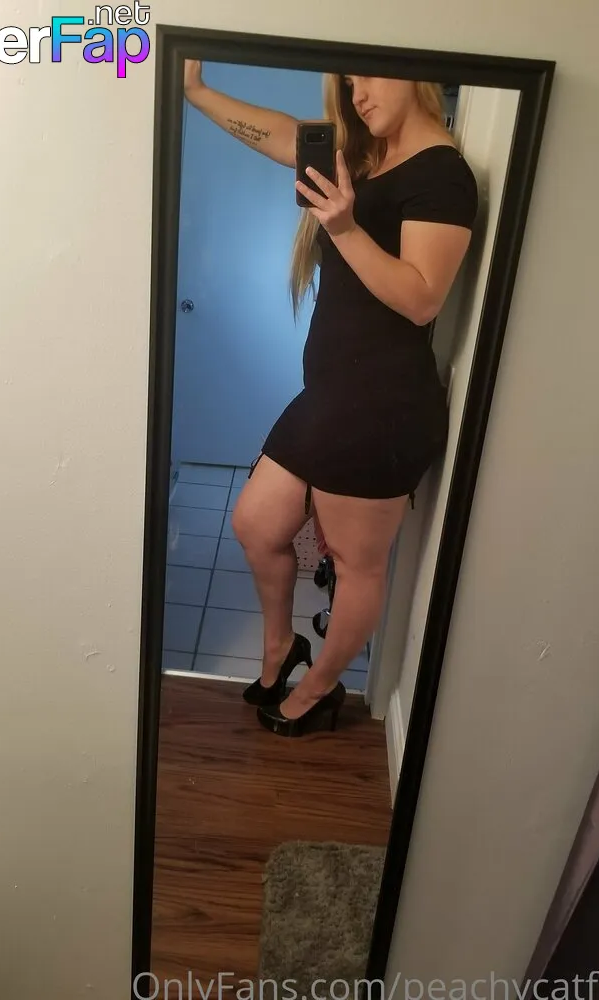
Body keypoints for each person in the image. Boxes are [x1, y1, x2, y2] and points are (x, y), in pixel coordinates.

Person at [182, 61, 478, 738]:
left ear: (416, 73)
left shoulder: (443, 174)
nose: (358, 93)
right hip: (330, 394)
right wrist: (196, 92)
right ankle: (281, 647)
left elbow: (422, 298)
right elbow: (280, 134)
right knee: (257, 524)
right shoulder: (366, 154)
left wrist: (344, 228)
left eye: (369, 77)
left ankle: (318, 689)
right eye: (346, 83)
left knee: (354, 563)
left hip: (382, 409)